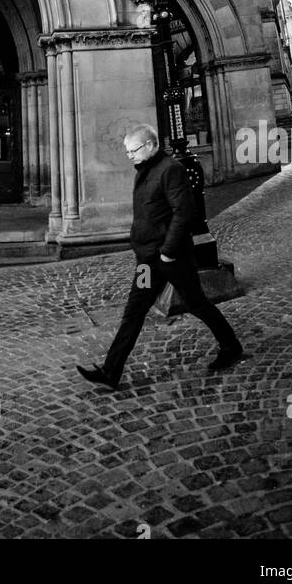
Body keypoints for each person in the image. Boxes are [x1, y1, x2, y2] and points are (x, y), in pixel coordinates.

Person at [77, 122, 243, 391]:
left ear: (151, 145)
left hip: (171, 260)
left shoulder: (171, 170)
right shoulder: (144, 170)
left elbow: (184, 213)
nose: (129, 155)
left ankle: (231, 346)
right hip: (147, 263)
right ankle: (110, 371)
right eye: (127, 151)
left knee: (196, 304)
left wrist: (167, 252)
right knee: (134, 311)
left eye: (133, 150)